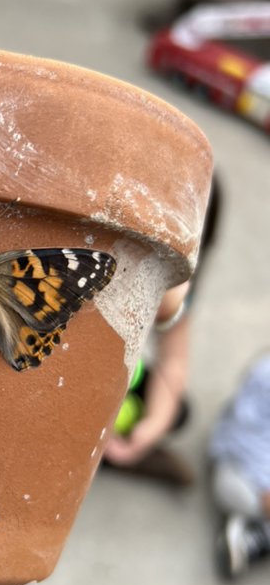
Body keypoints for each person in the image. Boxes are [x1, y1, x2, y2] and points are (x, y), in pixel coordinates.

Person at [102, 177, 222, 488]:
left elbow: (174, 362)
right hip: (77, 361)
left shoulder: (179, 287)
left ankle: (115, 446)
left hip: (115, 375)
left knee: (176, 410)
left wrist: (152, 427)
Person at [209, 353, 270, 580]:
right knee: (235, 490)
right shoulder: (266, 375)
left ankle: (251, 535)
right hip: (240, 475)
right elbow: (240, 437)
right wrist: (265, 487)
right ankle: (254, 533)